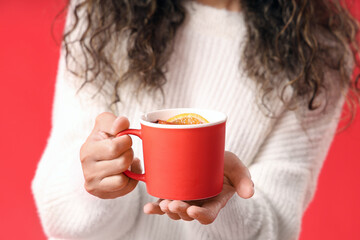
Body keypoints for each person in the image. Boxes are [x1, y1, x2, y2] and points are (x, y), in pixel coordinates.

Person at [32, 0, 359, 239]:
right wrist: (94, 183)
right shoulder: (102, 11)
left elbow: (276, 229)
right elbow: (61, 219)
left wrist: (226, 206)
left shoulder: (315, 52)